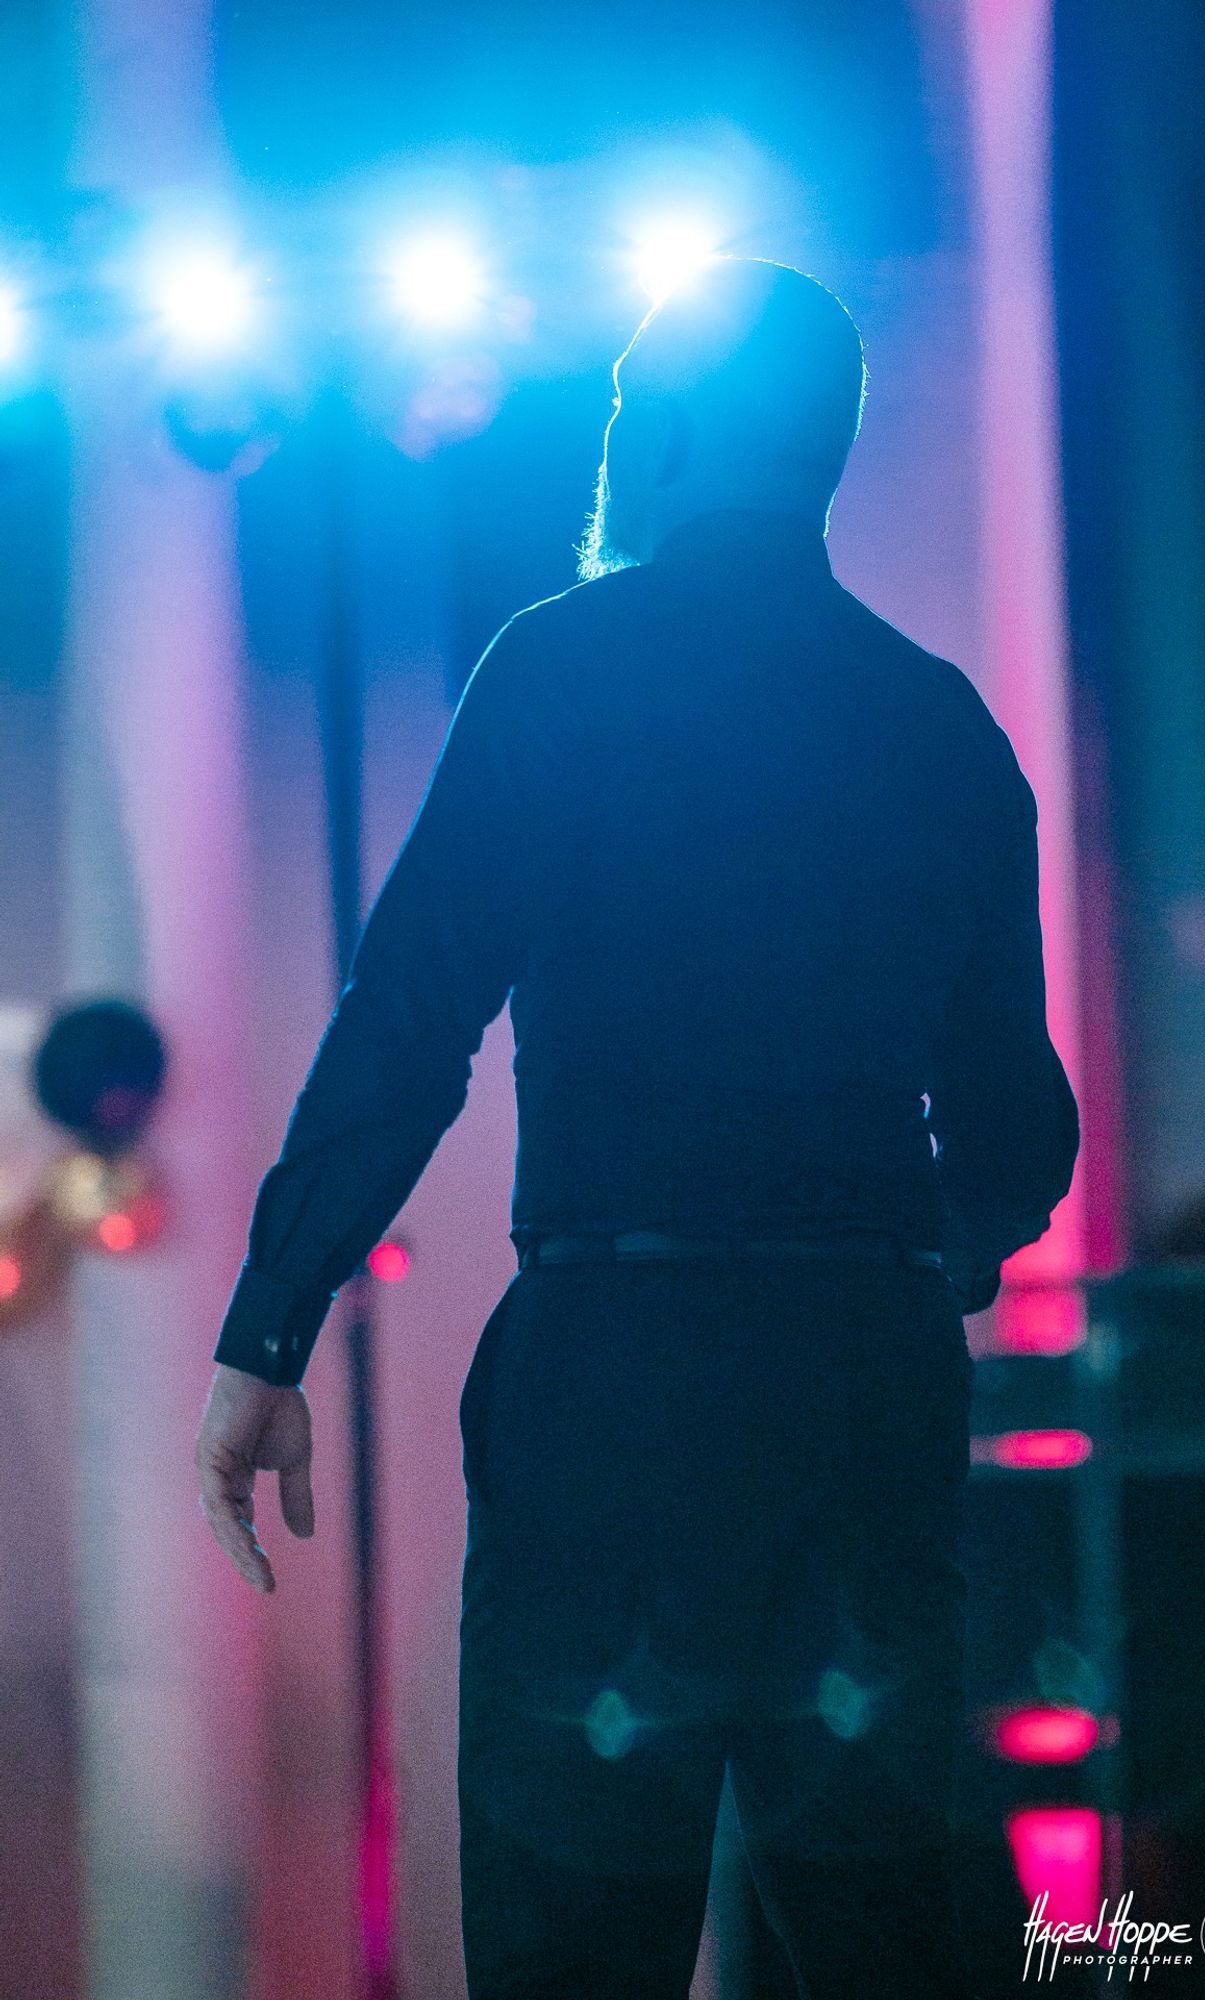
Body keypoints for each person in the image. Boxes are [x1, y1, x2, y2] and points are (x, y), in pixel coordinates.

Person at [196, 257, 1079, 1999]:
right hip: (863, 1384)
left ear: (655, 437)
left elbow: (408, 1023)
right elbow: (1019, 1128)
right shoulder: (943, 727)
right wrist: (907, 1263)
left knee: (574, 1948)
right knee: (887, 1946)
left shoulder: (562, 671)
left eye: (616, 412)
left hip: (615, 1370)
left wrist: (266, 1335)